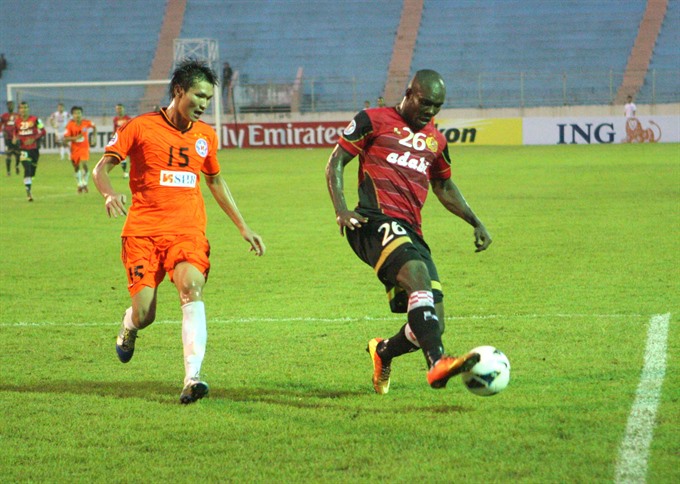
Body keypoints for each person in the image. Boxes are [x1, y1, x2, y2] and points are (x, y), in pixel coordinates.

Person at [92, 59, 266, 404]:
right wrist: (109, 193)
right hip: (142, 233)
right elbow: (101, 167)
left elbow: (214, 179)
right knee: (145, 314)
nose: (203, 105)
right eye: (198, 96)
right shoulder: (140, 127)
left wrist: (243, 226)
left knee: (191, 286)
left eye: (208, 99)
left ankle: (193, 378)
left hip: (187, 232)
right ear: (179, 91)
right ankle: (129, 326)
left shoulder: (205, 136)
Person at [325, 69, 492, 395]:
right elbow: (336, 162)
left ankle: (383, 351)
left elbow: (443, 185)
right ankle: (437, 363)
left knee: (433, 322)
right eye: (426, 102)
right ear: (409, 93)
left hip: (410, 230)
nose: (431, 111)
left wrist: (476, 221)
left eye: (438, 106)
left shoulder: (436, 140)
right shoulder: (372, 119)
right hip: (371, 221)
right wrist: (341, 209)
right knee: (417, 276)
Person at [13, 101, 46, 201]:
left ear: (28, 109)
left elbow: (43, 131)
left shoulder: (35, 120)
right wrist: (15, 138)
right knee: (27, 168)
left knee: (32, 171)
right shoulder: (17, 122)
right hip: (23, 149)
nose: (24, 110)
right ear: (19, 110)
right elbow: (15, 132)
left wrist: (34, 138)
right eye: (22, 108)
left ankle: (29, 181)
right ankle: (28, 193)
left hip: (34, 149)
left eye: (25, 107)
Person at [63, 106, 96, 193]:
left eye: (79, 113)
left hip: (84, 147)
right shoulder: (70, 125)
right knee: (76, 166)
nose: (77, 115)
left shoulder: (86, 123)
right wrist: (75, 138)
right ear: (72, 115)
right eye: (75, 113)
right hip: (74, 148)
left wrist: (94, 138)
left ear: (82, 114)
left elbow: (94, 126)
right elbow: (65, 138)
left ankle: (85, 182)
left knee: (84, 163)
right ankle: (80, 184)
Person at [1, 101, 21, 175]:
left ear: (14, 106)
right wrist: (3, 132)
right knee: (8, 154)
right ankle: (8, 171)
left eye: (11, 105)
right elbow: (1, 125)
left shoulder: (18, 115)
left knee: (18, 154)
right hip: (8, 138)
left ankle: (17, 166)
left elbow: (20, 125)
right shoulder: (3, 116)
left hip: (16, 138)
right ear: (7, 106)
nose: (10, 107)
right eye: (9, 105)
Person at [112, 103, 132, 177]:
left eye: (120, 108)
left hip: (128, 140)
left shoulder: (128, 118)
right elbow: (114, 129)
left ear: (123, 109)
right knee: (122, 156)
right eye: (117, 109)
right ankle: (125, 172)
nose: (119, 110)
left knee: (131, 157)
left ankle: (132, 171)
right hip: (120, 140)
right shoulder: (115, 119)